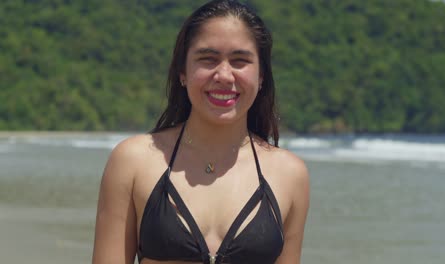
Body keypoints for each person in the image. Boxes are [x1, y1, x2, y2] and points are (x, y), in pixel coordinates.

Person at [92, 0, 309, 263]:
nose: (224, 75)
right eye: (208, 59)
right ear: (182, 71)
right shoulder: (134, 161)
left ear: (261, 76)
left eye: (240, 61)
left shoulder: (289, 174)